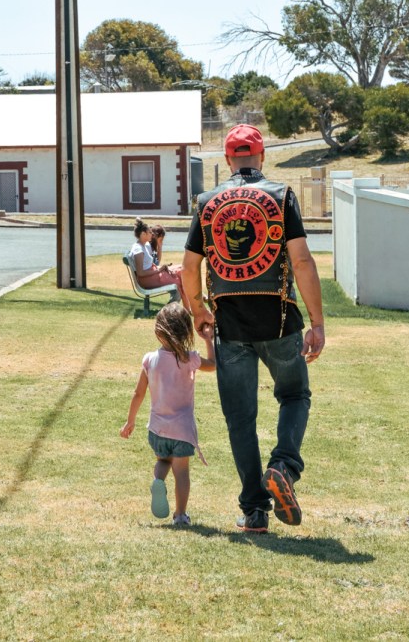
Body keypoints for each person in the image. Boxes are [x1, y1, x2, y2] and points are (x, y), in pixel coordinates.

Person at [182, 123, 325, 534]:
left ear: (228, 159)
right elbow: (301, 261)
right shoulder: (281, 196)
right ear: (262, 157)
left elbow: (190, 267)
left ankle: (255, 510)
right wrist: (317, 323)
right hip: (279, 320)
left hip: (229, 325)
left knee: (240, 418)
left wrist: (198, 311)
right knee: (294, 395)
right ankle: (283, 466)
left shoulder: (207, 203)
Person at [119, 303, 216, 525]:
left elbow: (138, 393)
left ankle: (158, 480)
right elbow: (213, 364)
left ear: (159, 330)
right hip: (182, 430)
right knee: (181, 472)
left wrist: (130, 421)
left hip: (157, 429)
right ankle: (180, 515)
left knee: (164, 461)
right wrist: (208, 340)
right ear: (186, 332)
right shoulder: (189, 358)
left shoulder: (149, 359)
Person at [129, 218, 187, 307]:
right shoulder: (138, 249)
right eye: (149, 232)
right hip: (146, 280)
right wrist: (159, 270)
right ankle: (180, 309)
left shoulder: (145, 245)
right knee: (178, 281)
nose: (152, 234)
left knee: (181, 269)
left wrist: (160, 268)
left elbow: (154, 262)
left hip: (152, 274)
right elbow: (140, 273)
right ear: (143, 234)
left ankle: (188, 307)